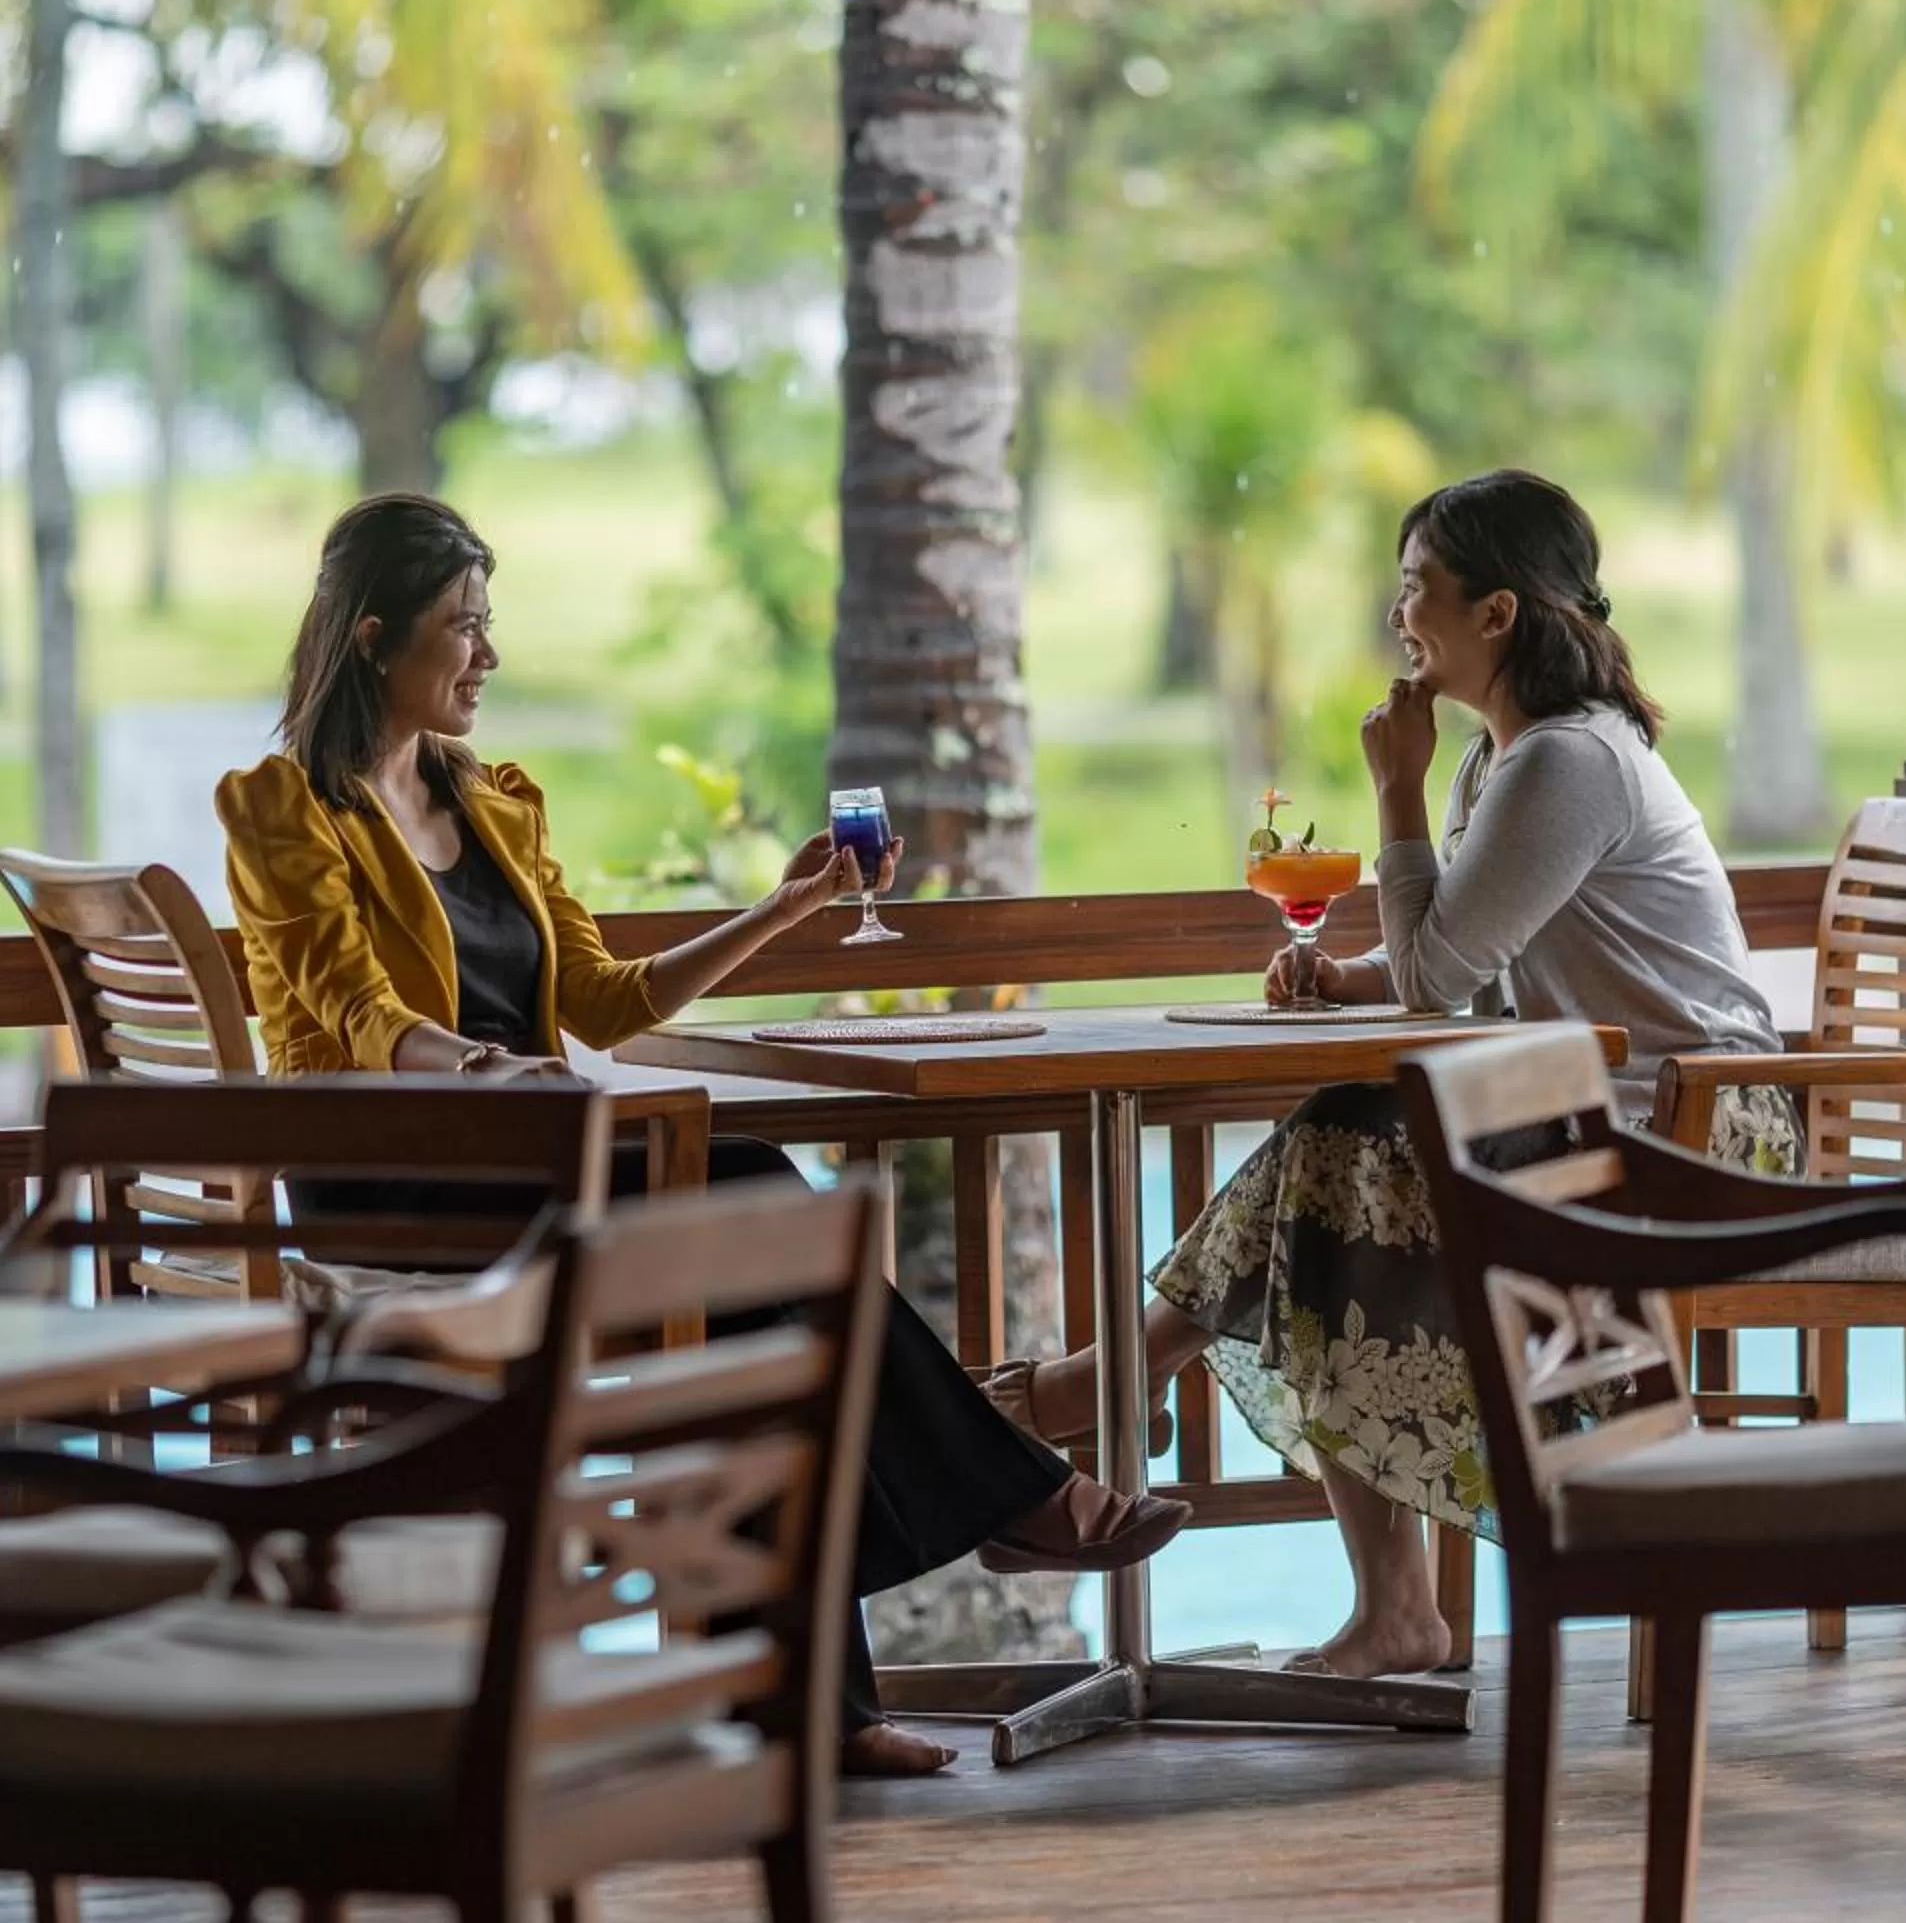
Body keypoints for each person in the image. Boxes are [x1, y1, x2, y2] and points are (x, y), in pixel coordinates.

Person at [216, 492, 1187, 1776]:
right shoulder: (286, 807)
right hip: (393, 1174)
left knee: (755, 1289)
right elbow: (353, 1004)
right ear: (371, 639)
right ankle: (1003, 1505)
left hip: (537, 1157)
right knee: (751, 1192)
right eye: (464, 627)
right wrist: (494, 1076)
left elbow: (607, 1000)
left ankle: (823, 1702)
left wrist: (782, 911)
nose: (489, 656)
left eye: (490, 623)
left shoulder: (494, 804)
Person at [981, 469, 1800, 1678]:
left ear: (1498, 614)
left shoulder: (1566, 762)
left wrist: (1394, 789)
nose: (1397, 613)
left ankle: (1099, 1389)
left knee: (1345, 1157)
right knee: (1345, 1150)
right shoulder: (1508, 759)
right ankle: (1365, 1586)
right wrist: (1346, 976)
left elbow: (1439, 980)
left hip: (1702, 1128)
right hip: (1601, 1110)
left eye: (1418, 586)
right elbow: (1449, 972)